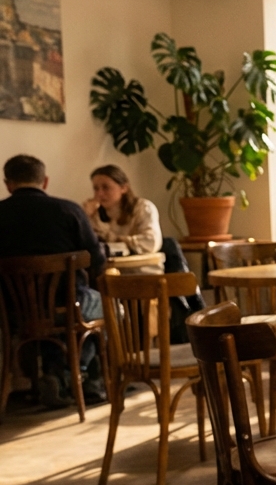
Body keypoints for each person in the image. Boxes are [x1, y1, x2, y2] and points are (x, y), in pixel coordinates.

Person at [0, 154, 107, 407]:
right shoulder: (68, 211)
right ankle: (71, 376)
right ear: (45, 181)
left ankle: (64, 377)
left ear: (8, 183)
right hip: (67, 306)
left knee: (81, 308)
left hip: (12, 313)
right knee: (108, 307)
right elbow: (95, 260)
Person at [84, 165, 162, 257]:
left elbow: (151, 243)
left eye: (106, 187)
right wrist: (85, 217)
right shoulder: (94, 212)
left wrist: (116, 240)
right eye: (96, 189)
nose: (100, 194)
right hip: (108, 268)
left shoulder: (143, 207)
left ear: (123, 188)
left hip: (141, 268)